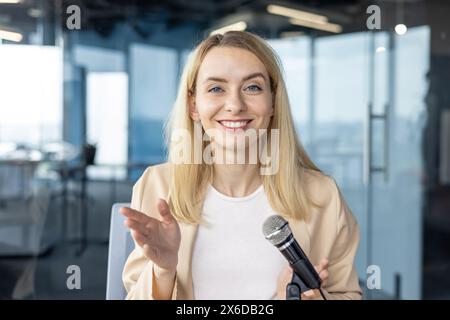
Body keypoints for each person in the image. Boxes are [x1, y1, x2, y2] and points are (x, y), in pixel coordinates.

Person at [121, 31, 362, 300]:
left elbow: (346, 294)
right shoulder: (157, 186)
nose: (235, 105)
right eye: (216, 89)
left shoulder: (322, 195)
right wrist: (163, 270)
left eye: (253, 87)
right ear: (193, 106)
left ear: (273, 101)